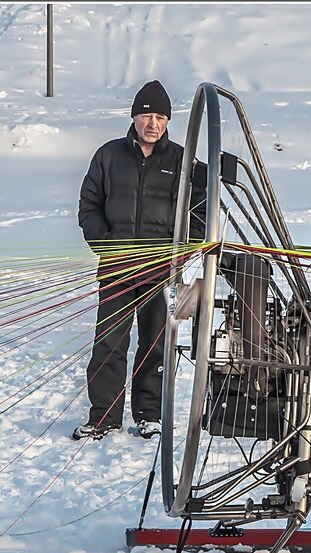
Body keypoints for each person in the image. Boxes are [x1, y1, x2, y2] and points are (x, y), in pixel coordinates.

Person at [75, 79, 204, 441]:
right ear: (134, 117)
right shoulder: (109, 155)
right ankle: (103, 416)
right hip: (116, 269)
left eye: (161, 117)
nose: (153, 123)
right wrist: (107, 244)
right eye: (147, 115)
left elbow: (201, 211)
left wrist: (181, 252)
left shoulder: (182, 160)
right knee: (109, 342)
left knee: (155, 343)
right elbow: (89, 206)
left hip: (161, 271)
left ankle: (149, 414)